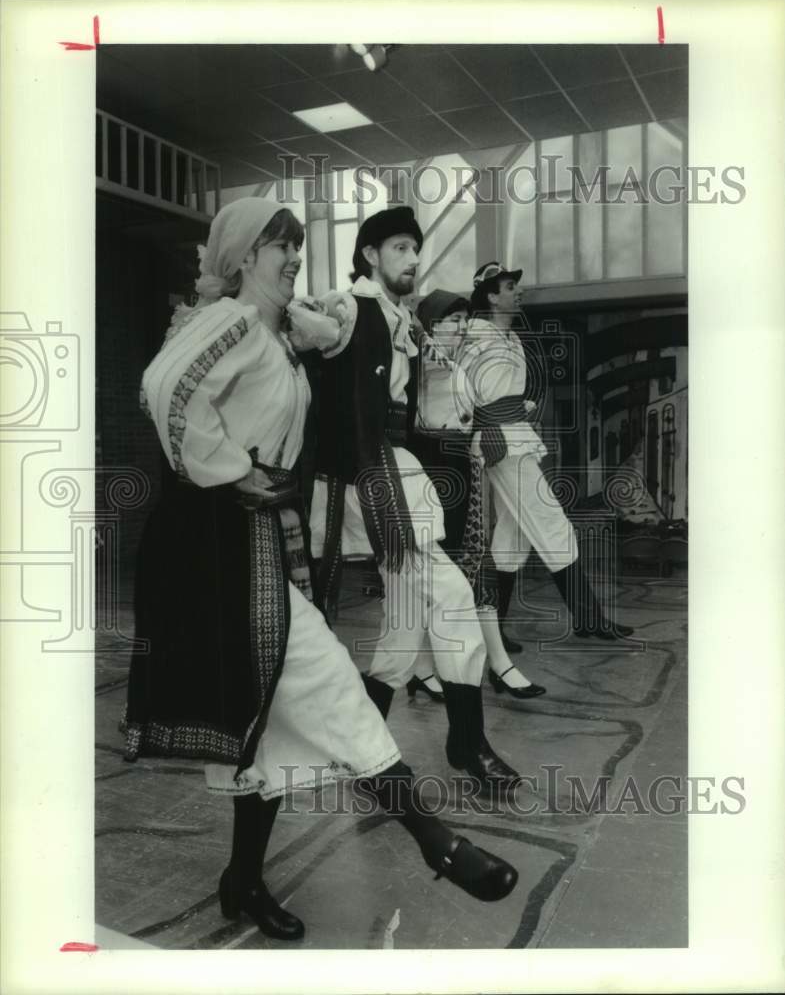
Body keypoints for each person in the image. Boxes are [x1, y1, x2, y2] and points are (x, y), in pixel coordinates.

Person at [123, 199, 519, 945]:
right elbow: (163, 386)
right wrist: (231, 469)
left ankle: (242, 878)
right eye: (281, 245)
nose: (295, 256)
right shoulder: (231, 321)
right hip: (220, 539)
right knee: (329, 678)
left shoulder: (274, 332)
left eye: (299, 244)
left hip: (260, 534)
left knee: (268, 716)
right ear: (244, 256)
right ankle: (435, 840)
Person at [309, 207, 521, 793]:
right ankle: (467, 744)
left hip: (394, 467)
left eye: (415, 249)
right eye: (400, 248)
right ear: (370, 254)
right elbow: (317, 359)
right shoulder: (348, 307)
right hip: (372, 477)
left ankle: (365, 755)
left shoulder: (397, 315)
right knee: (453, 599)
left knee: (404, 624)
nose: (412, 259)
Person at [462, 261, 635, 644]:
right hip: (501, 443)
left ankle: (491, 631)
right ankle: (589, 619)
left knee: (512, 538)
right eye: (509, 286)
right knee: (553, 523)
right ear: (492, 297)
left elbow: (504, 389)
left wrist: (518, 407)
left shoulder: (510, 337)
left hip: (515, 436)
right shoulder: (475, 336)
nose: (518, 291)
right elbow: (464, 391)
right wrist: (488, 424)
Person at [409, 289, 547, 701]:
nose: (462, 326)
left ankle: (432, 668)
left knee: (459, 571)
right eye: (453, 320)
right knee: (447, 573)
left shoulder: (456, 364)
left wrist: (515, 407)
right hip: (434, 465)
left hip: (461, 466)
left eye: (464, 319)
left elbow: (478, 409)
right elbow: (419, 347)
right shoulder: (424, 357)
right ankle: (494, 667)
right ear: (433, 325)